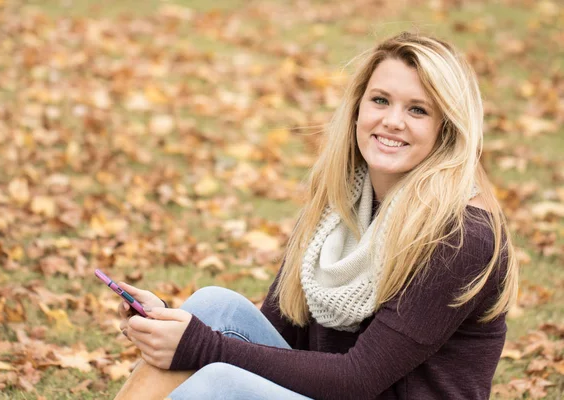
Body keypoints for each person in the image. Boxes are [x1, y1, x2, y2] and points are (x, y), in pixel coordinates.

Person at [112, 31, 519, 400]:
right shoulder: (341, 206)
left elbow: (359, 379)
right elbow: (278, 336)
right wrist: (170, 326)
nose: (392, 121)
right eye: (380, 100)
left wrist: (201, 346)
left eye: (418, 110)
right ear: (358, 108)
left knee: (220, 380)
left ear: (445, 129)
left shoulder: (460, 236)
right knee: (214, 306)